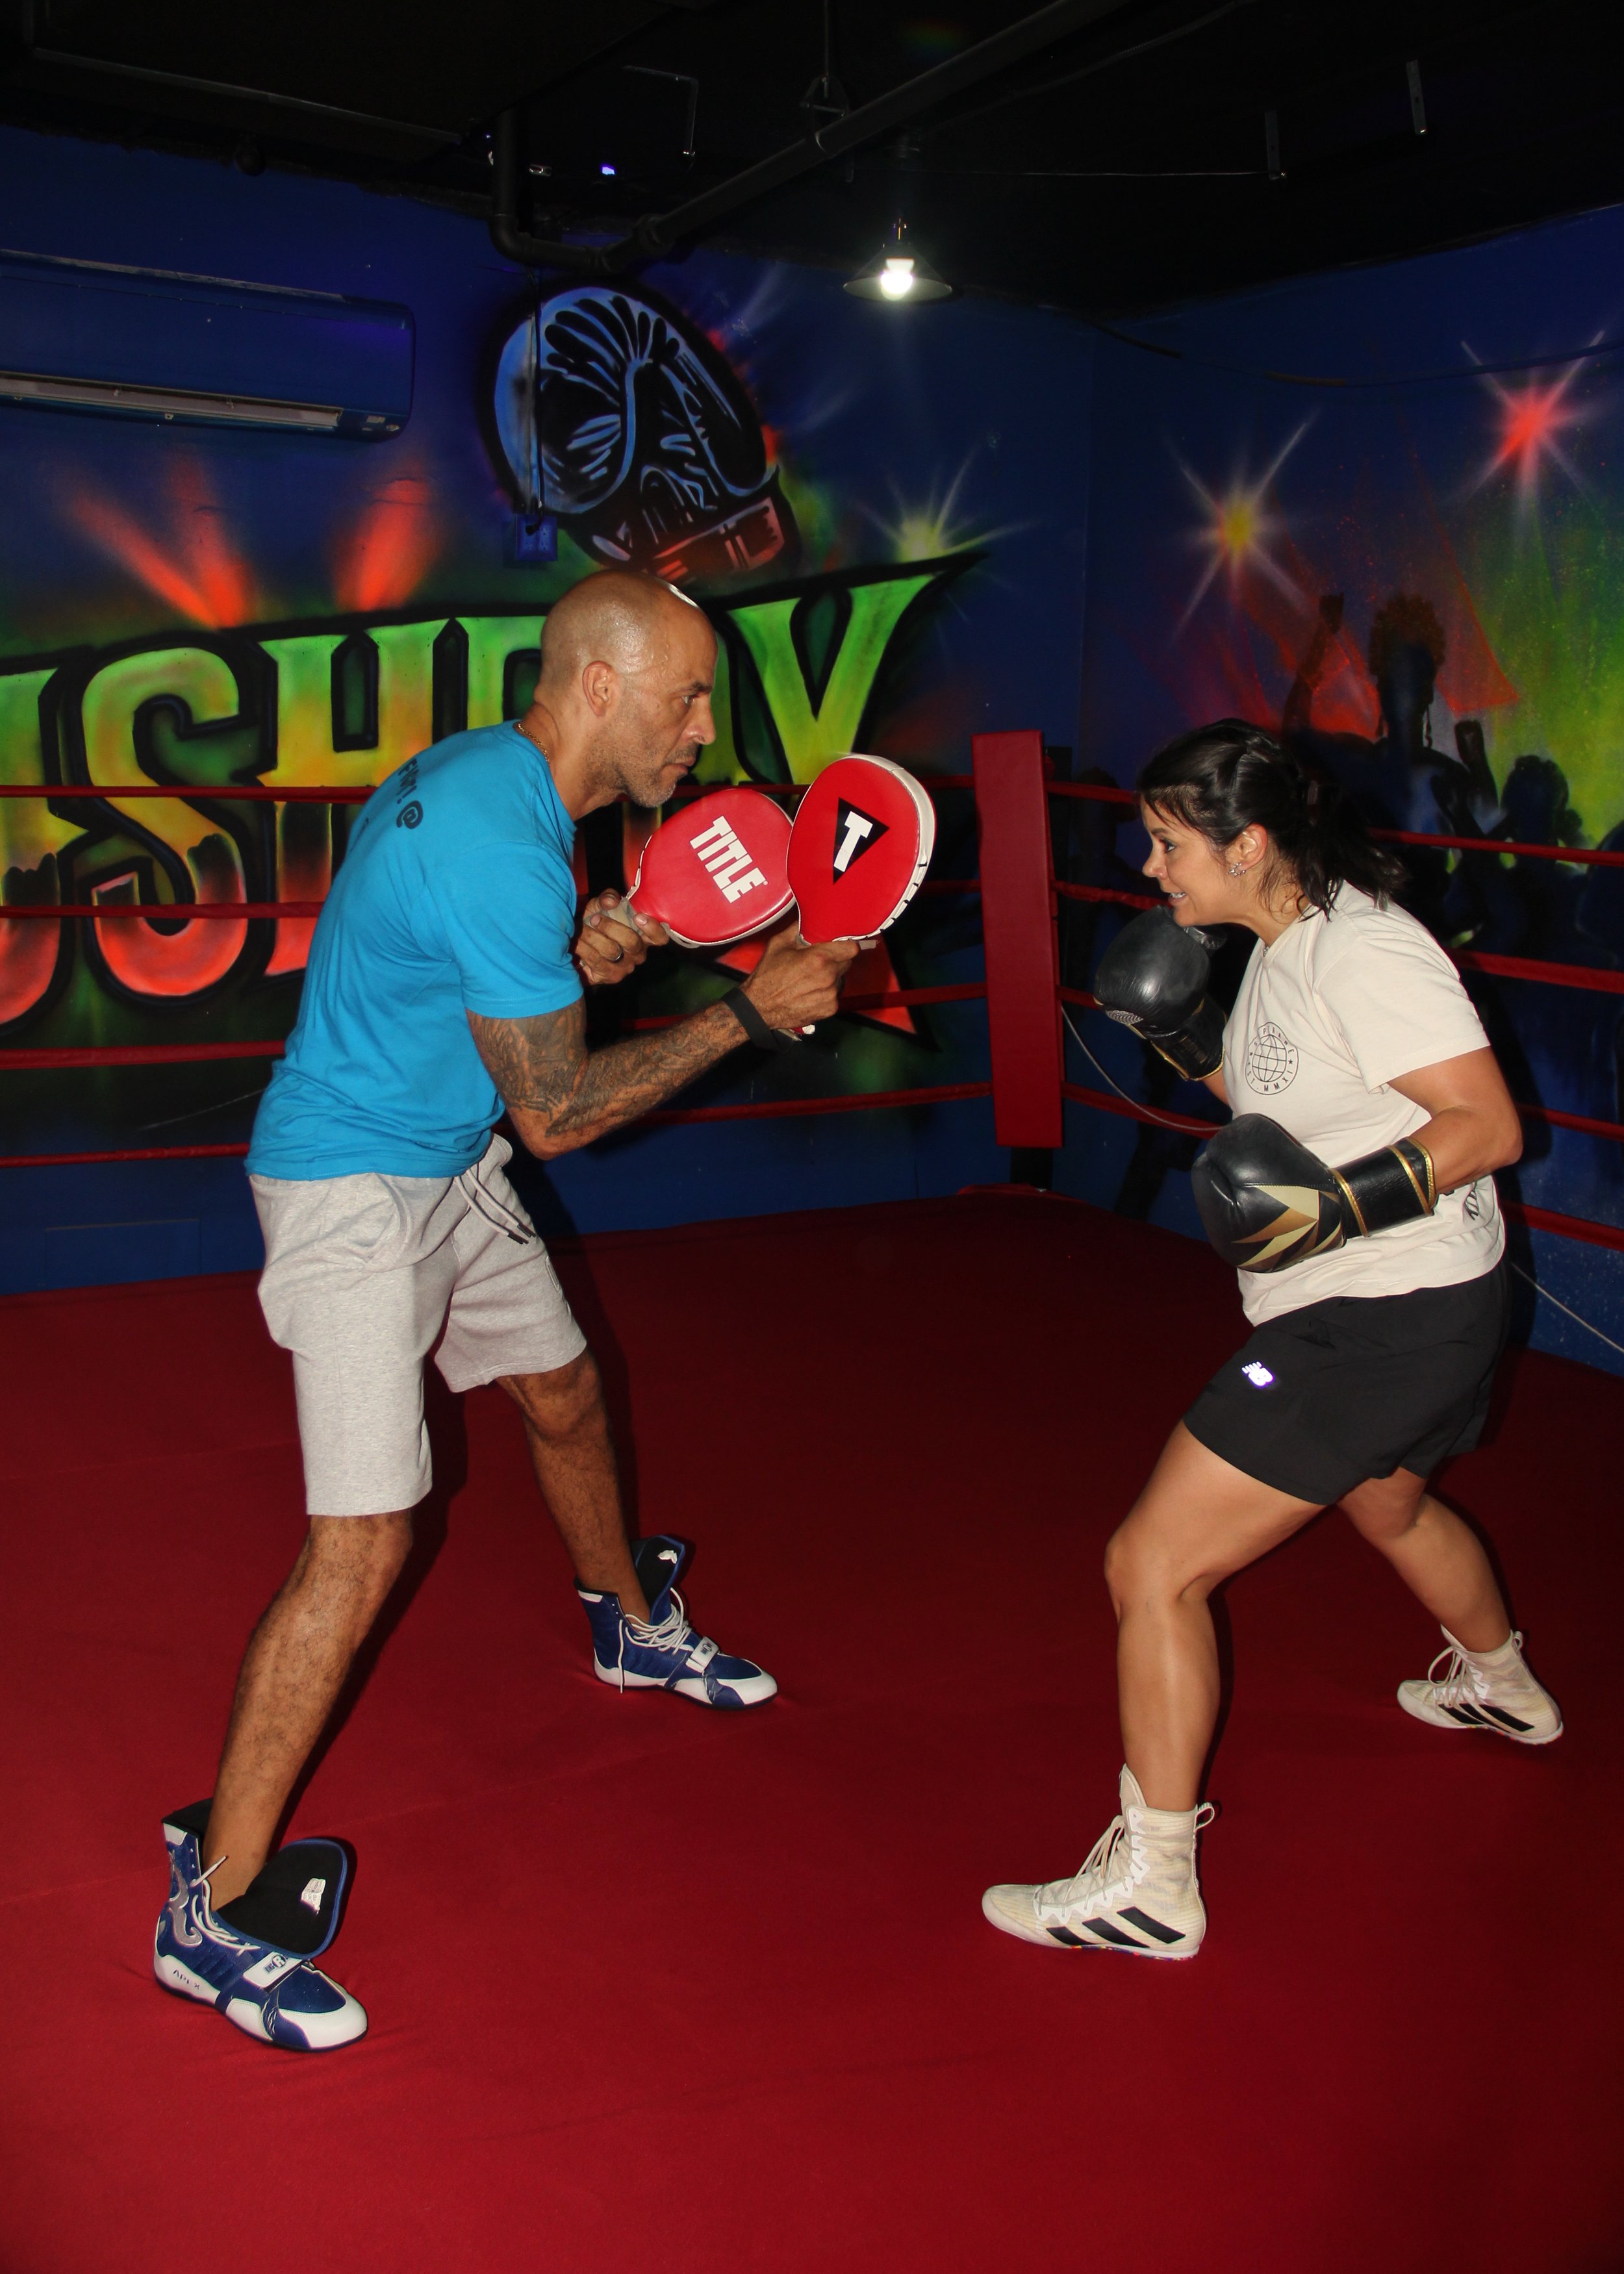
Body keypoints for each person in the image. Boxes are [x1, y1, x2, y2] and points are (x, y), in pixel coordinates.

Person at [154, 571, 859, 2049]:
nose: (701, 731)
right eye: (686, 700)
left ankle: (627, 1623)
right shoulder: (502, 844)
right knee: (361, 1543)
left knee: (562, 1389)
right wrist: (747, 1010)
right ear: (600, 687)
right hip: (352, 1189)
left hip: (444, 1156)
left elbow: (483, 1001)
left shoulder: (496, 780)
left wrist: (589, 958)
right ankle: (206, 1914)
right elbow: (557, 1114)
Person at [983, 718, 1561, 1962]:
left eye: (1169, 841)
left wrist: (1338, 1209)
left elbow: (1486, 1125)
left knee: (1153, 1565)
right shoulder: (1285, 939)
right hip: (1426, 1305)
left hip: (1375, 1317)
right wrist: (1192, 1043)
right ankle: (1503, 1682)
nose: (1150, 867)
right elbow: (1290, 1109)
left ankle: (1153, 1878)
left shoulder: (1367, 954)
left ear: (1250, 845)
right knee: (1390, 1505)